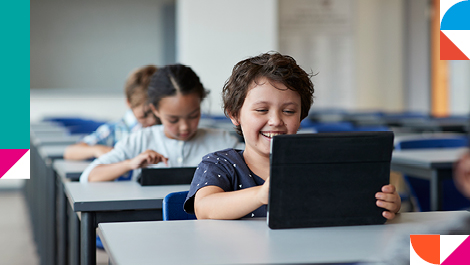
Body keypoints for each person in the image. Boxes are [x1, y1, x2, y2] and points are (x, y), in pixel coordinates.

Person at [183, 52, 401, 220]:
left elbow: (351, 207)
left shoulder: (320, 164)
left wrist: (388, 203)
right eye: (261, 110)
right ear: (234, 114)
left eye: (288, 111)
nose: (276, 121)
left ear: (301, 116)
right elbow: (204, 208)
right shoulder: (220, 164)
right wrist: (261, 195)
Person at [79, 64, 244, 183]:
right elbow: (89, 176)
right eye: (173, 119)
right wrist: (130, 163)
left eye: (193, 116)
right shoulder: (141, 140)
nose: (185, 126)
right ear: (155, 110)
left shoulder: (222, 142)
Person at [64, 65, 159, 161]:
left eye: (157, 113)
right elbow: (70, 152)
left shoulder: (166, 128)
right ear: (129, 103)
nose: (152, 120)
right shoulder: (116, 130)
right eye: (144, 115)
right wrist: (97, 150)